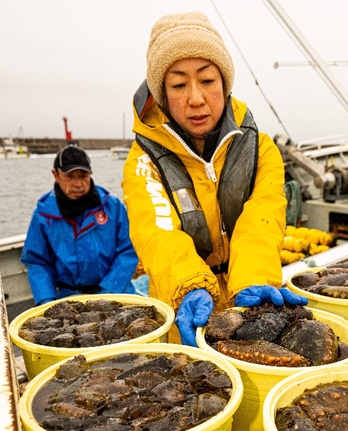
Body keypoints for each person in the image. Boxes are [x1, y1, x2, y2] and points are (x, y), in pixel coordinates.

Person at [122, 11, 307, 346]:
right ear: (162, 93)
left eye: (207, 80)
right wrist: (188, 285)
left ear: (224, 83)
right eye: (179, 84)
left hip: (248, 303)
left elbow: (262, 220)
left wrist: (254, 278)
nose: (196, 98)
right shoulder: (144, 161)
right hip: (183, 312)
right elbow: (156, 232)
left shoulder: (261, 150)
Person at [21, 145, 138, 306]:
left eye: (83, 176)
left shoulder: (113, 207)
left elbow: (128, 250)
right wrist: (46, 301)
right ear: (56, 175)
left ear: (90, 174)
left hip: (117, 292)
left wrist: (109, 292)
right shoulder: (43, 215)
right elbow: (38, 262)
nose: (78, 184)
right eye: (70, 176)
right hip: (69, 299)